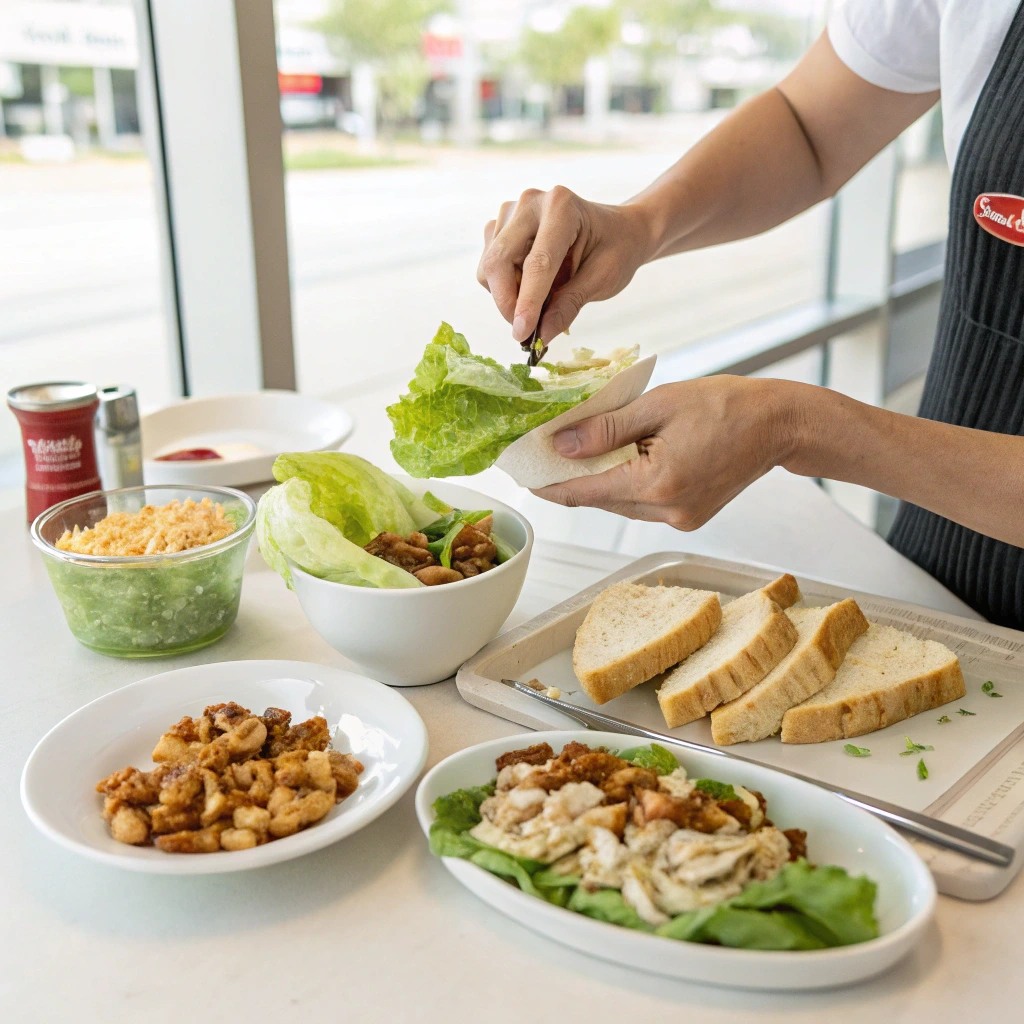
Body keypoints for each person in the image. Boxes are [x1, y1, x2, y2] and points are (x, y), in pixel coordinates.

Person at [476, 0, 1024, 629]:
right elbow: (809, 128)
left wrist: (795, 427)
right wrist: (638, 224)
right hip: (942, 549)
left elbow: (794, 427)